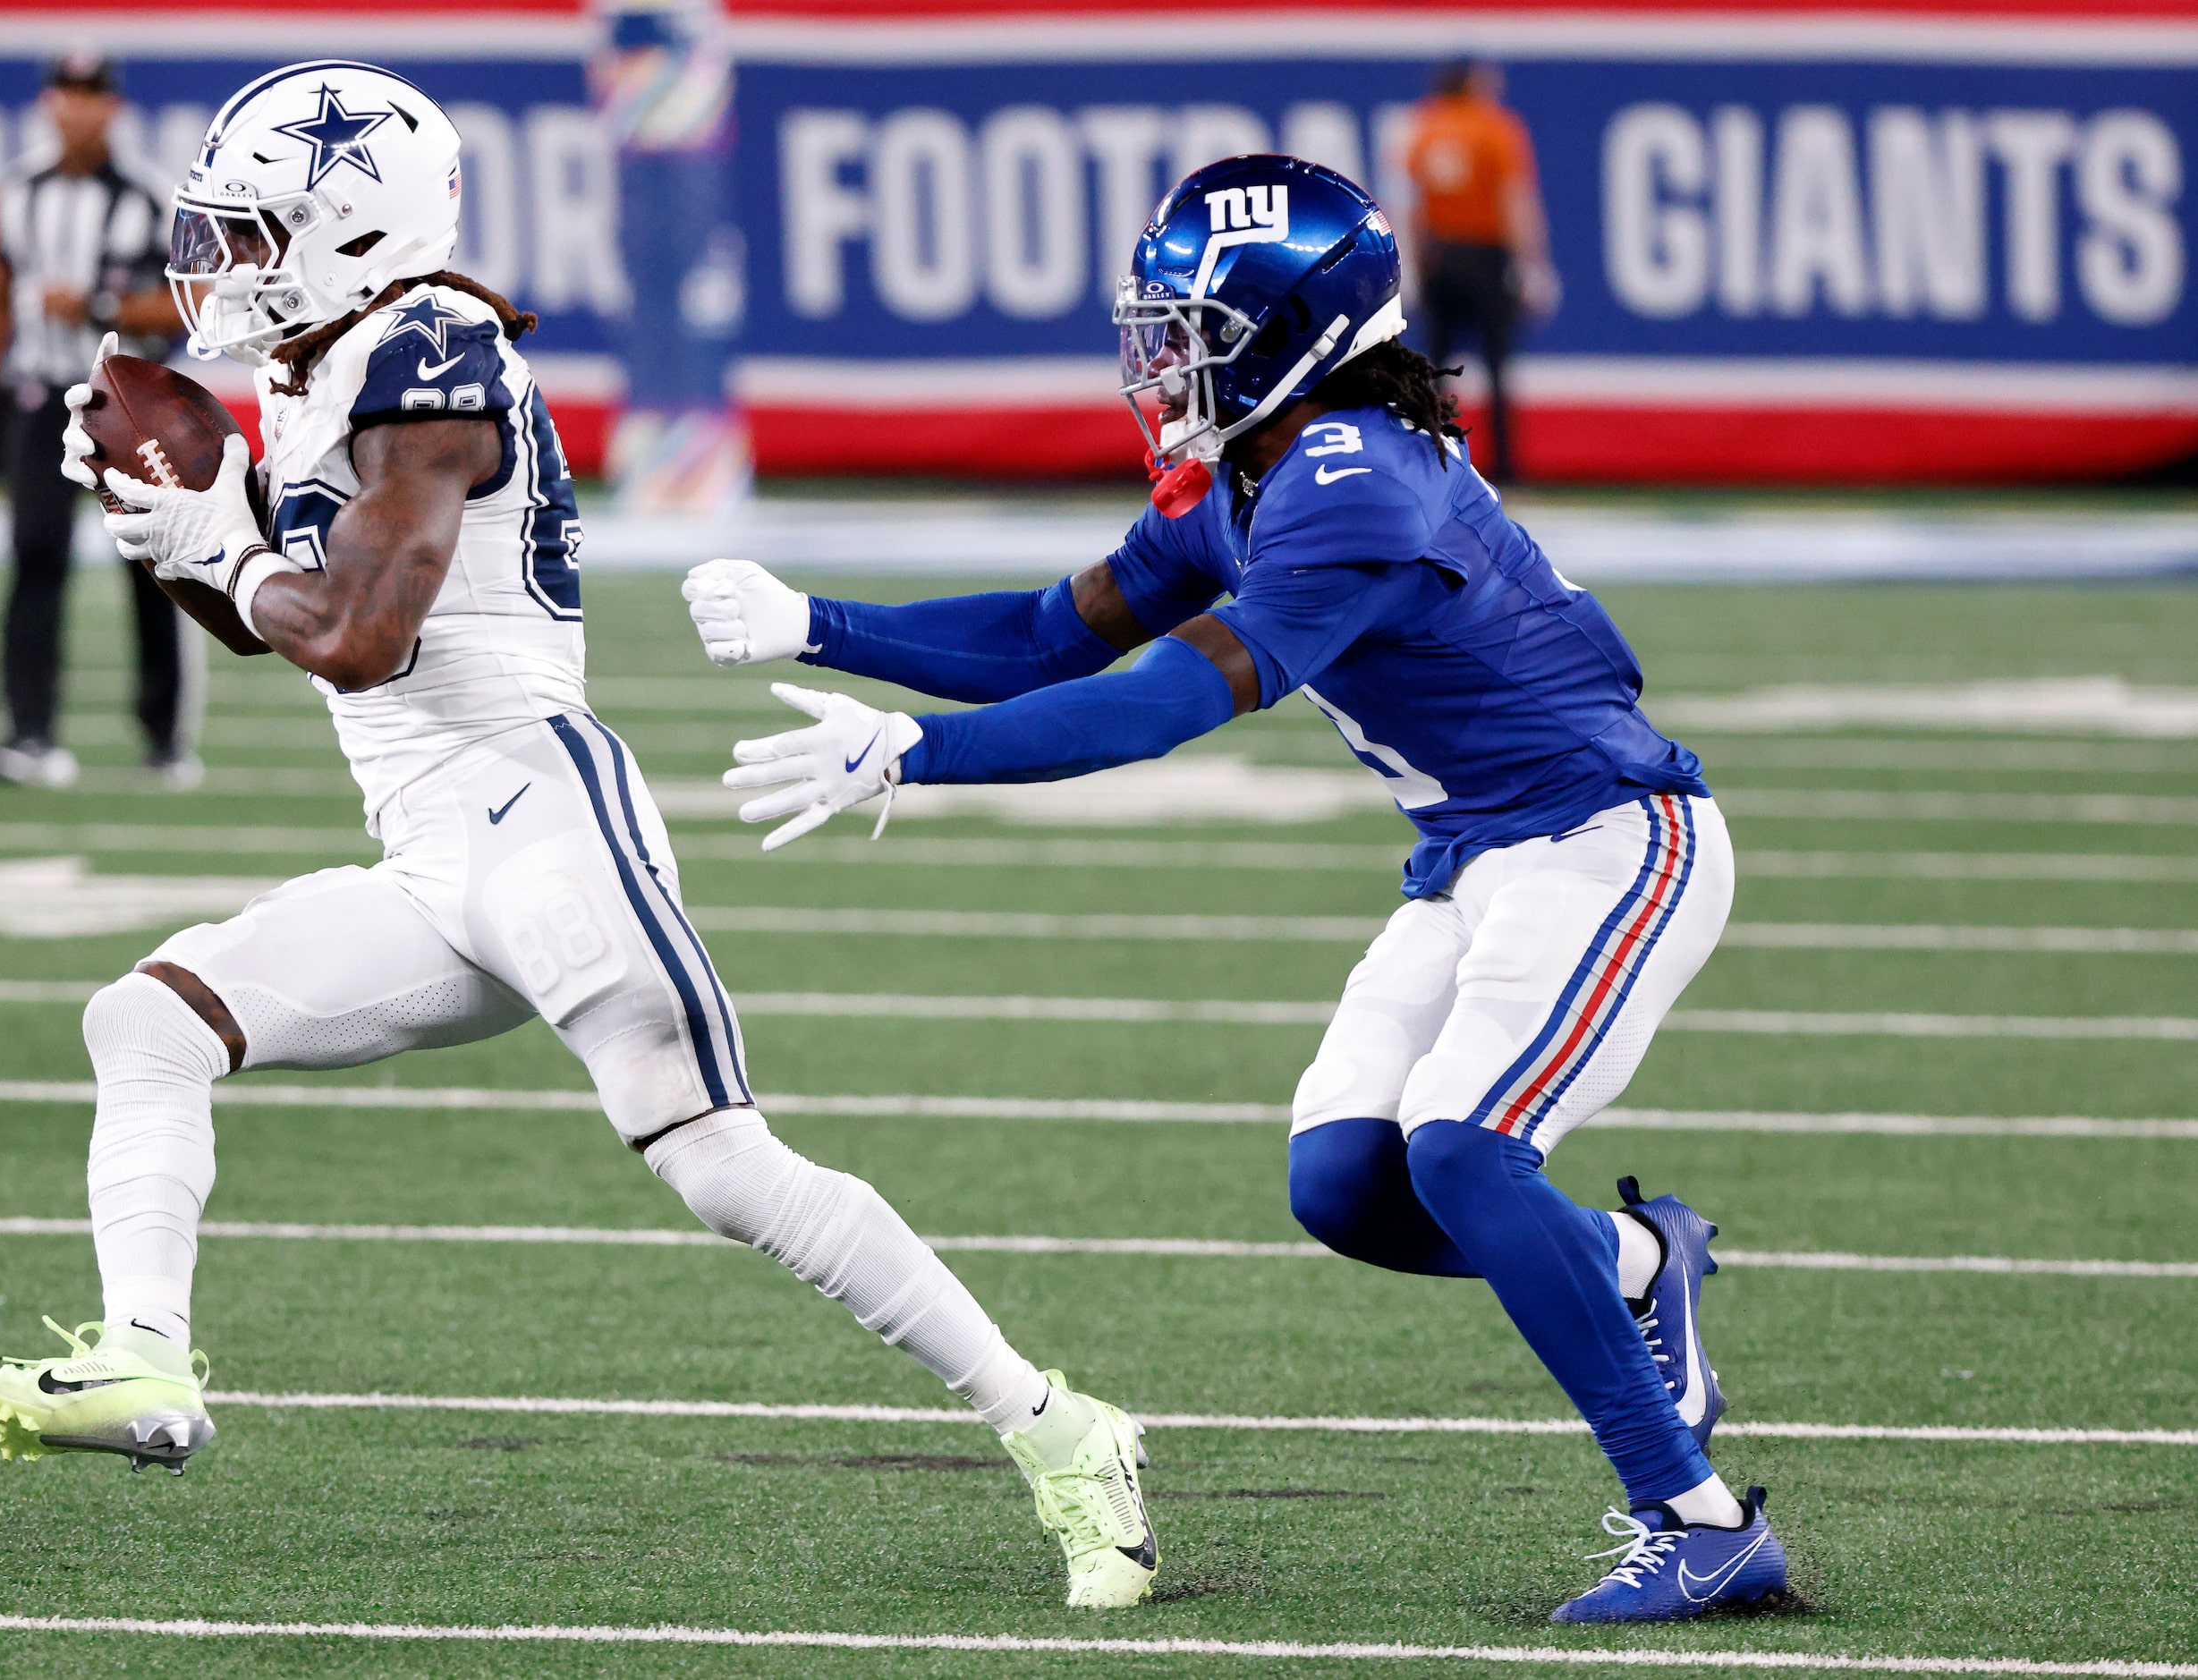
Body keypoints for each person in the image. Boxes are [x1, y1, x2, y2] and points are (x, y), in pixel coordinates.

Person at [0, 60, 1158, 1612]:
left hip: (534, 809)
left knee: (718, 1164)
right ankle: (145, 1360)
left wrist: (217, 549)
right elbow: (274, 621)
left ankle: (1061, 1429)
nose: (222, 269)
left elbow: (358, 632)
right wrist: (179, 529)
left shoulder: (429, 348)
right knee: (150, 1018)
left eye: (254, 236)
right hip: (432, 852)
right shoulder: (325, 358)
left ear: (352, 231)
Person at [677, 155, 1788, 1625]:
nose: (1156, 360)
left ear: (1285, 333)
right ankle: (1644, 1260)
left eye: (1186, 329)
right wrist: (820, 623)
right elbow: (1042, 634)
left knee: (1461, 1147)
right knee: (1344, 1179)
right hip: (1474, 852)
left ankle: (1699, 1520)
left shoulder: (1347, 480)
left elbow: (1150, 708)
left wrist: (913, 754)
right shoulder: (1257, 471)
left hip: (1605, 836)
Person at [0, 49, 199, 789]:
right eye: (66, 93)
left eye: (91, 95)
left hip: (126, 399)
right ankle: (29, 733)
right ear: (49, 103)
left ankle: (165, 736)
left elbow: (193, 301)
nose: (77, 108)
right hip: (38, 394)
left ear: (111, 107)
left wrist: (98, 307)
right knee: (34, 556)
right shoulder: (21, 191)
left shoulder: (149, 197)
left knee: (154, 566)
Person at [1404, 59, 1556, 485]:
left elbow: (1413, 205)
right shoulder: (1496, 128)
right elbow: (1514, 200)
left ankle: (1429, 462)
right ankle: (1505, 469)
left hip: (1440, 256)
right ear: (1472, 82)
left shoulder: (1424, 127)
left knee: (1433, 370)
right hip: (1487, 256)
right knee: (1497, 367)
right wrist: (1533, 264)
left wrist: (1416, 264)